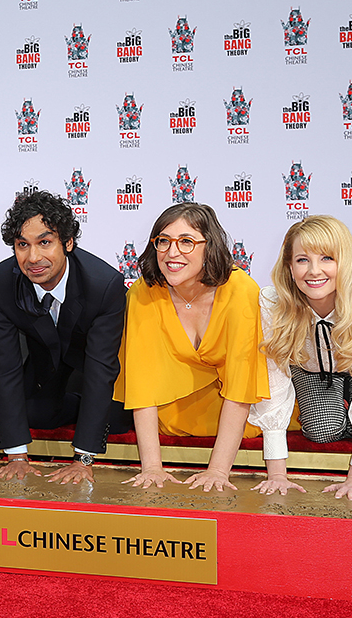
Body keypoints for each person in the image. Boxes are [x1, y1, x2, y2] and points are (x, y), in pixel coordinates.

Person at [249, 215, 352, 501]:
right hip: (311, 364)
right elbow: (273, 382)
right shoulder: (274, 304)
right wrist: (276, 475)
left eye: (327, 258)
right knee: (321, 430)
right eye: (302, 260)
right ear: (289, 265)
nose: (314, 271)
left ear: (346, 261)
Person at [115, 203, 269, 492]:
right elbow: (142, 383)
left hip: (237, 413)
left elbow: (240, 387)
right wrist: (151, 467)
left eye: (186, 241)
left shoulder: (241, 291)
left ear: (209, 247)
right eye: (164, 241)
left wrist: (219, 472)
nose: (172, 253)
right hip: (167, 417)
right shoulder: (143, 292)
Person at [0, 190, 126, 484]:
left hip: (94, 360)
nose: (33, 257)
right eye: (23, 245)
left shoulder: (104, 284)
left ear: (68, 243)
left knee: (119, 418)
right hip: (45, 360)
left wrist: (83, 459)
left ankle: (87, 410)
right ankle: (74, 405)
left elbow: (101, 369)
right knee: (36, 415)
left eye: (45, 242)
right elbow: (6, 367)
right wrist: (17, 456)